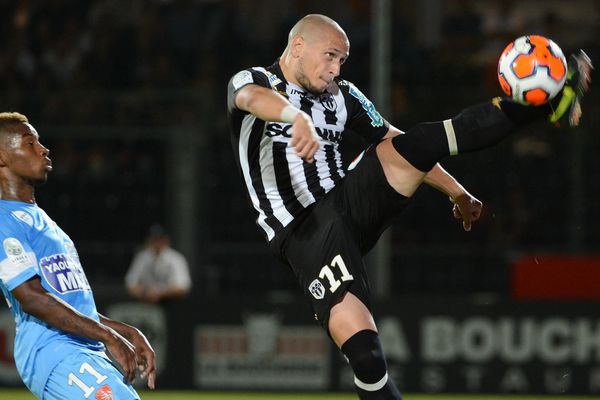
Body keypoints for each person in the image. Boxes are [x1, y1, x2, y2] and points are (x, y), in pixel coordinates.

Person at [226, 14, 591, 399]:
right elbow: (250, 99)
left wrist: (456, 191)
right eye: (330, 56)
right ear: (298, 47)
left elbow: (397, 139)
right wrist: (293, 115)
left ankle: (545, 105)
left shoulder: (343, 95)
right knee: (366, 355)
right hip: (303, 231)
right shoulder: (254, 81)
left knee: (409, 144)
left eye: (342, 61)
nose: (335, 68)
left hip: (349, 201)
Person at [0, 112, 156, 399]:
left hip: (80, 348)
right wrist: (108, 336)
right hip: (54, 351)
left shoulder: (43, 220)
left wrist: (123, 330)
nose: (43, 149)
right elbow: (33, 298)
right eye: (29, 142)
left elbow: (70, 305)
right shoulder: (4, 219)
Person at [125, 223, 192, 304]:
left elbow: (182, 288)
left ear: (166, 240)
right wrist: (146, 293)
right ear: (148, 240)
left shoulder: (176, 258)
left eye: (160, 239)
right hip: (145, 302)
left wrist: (159, 294)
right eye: (154, 239)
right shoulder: (142, 257)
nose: (157, 242)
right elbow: (130, 285)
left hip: (171, 303)